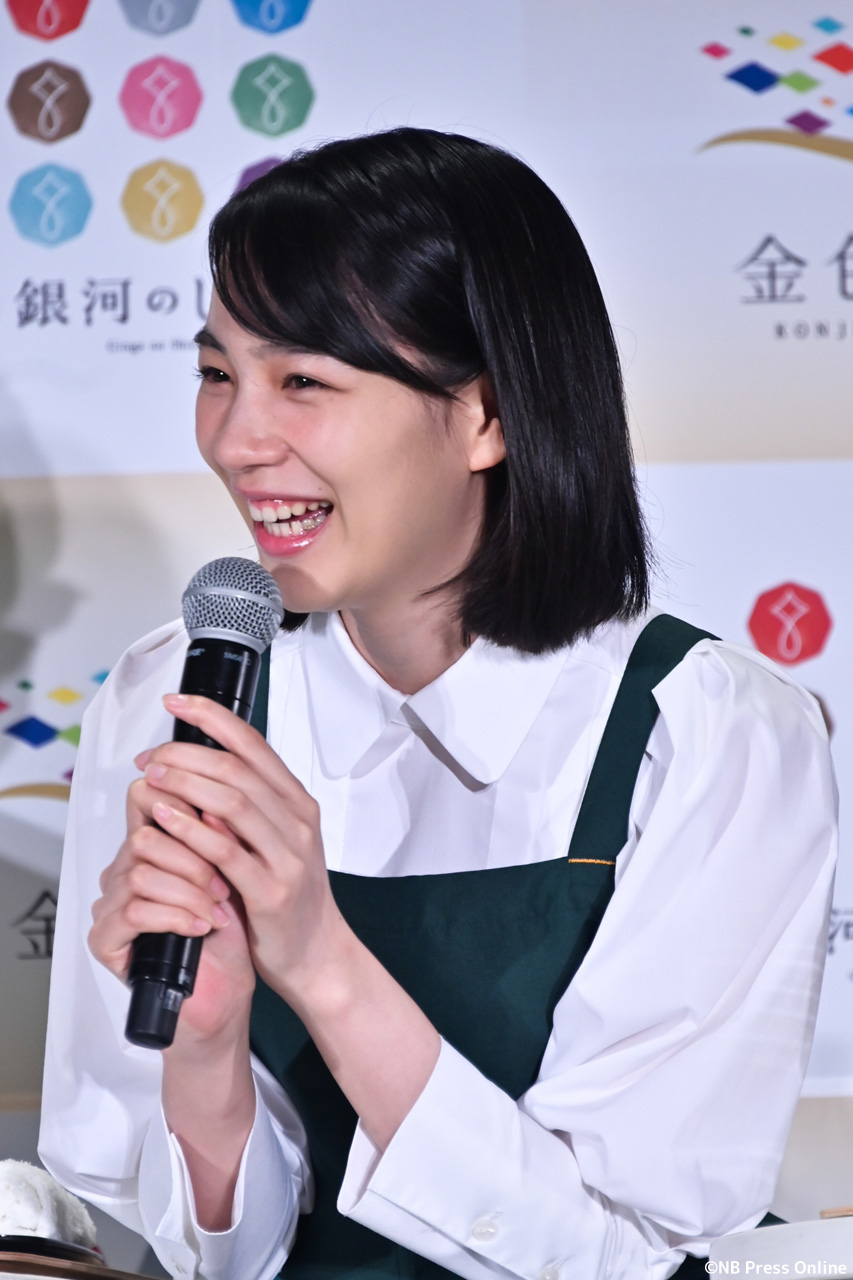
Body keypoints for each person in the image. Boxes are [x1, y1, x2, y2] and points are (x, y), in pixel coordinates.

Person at [39, 128, 837, 1280]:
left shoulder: (707, 733)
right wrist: (204, 1051)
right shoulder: (168, 698)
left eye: (303, 381)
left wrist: (321, 960)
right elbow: (225, 1256)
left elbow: (624, 1256)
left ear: (487, 415)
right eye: (217, 374)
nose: (237, 439)